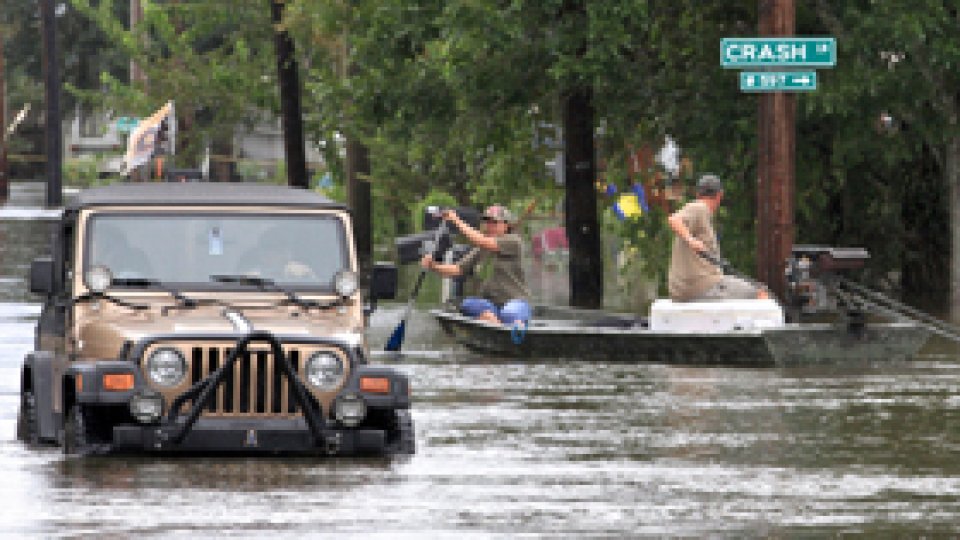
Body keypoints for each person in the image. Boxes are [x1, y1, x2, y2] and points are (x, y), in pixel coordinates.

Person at [421, 204, 532, 325]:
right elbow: (457, 269)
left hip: (515, 302)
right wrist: (433, 265)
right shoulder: (482, 248)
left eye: (494, 222)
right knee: (468, 304)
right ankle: (494, 323)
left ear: (506, 225)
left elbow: (482, 241)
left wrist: (456, 220)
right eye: (487, 221)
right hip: (492, 304)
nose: (490, 225)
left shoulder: (513, 241)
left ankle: (510, 325)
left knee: (509, 314)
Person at [667, 174, 769, 302]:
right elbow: (674, 219)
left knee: (742, 287)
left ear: (698, 194)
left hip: (686, 287)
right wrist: (691, 240)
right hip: (701, 285)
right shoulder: (699, 207)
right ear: (720, 195)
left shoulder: (700, 213)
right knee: (761, 293)